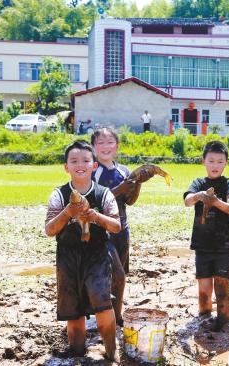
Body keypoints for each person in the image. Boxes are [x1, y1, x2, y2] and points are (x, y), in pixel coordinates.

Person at [45, 140, 121, 359]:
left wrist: (95, 216)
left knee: (103, 303)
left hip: (96, 255)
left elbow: (116, 226)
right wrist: (68, 212)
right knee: (73, 309)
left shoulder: (104, 194)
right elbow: (50, 230)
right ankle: (77, 351)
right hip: (68, 257)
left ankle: (111, 353)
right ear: (66, 167)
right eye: (74, 160)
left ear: (94, 166)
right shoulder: (58, 195)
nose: (80, 164)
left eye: (86, 160)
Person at [184, 141, 229, 331]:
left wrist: (215, 201)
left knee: (222, 288)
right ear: (203, 162)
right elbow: (187, 201)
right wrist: (199, 196)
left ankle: (224, 322)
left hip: (224, 245)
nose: (215, 165)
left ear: (226, 163)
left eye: (219, 161)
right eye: (211, 161)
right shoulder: (198, 183)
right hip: (202, 245)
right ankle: (204, 319)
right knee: (204, 289)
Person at [91, 127, 141, 326]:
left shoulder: (124, 171)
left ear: (117, 146)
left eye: (110, 142)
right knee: (116, 275)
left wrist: (137, 184)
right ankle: (109, 316)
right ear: (93, 147)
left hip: (122, 229)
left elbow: (130, 201)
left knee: (120, 275)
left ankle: (114, 314)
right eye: (100, 143)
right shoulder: (92, 171)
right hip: (101, 230)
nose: (105, 146)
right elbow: (94, 201)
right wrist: (120, 189)